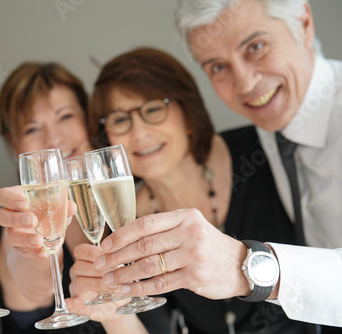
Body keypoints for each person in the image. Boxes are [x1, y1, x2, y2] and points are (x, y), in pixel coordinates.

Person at [89, 0, 342, 329]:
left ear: (305, 22)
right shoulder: (270, 130)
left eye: (256, 46)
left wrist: (249, 267)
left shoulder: (252, 147)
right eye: (217, 67)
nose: (246, 83)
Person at [65, 46, 313, 333]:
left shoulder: (265, 154)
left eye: (153, 109)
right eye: (120, 119)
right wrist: (114, 316)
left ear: (187, 109)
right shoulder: (122, 229)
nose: (139, 133)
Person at [0, 62, 167, 333]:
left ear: (88, 119)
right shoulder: (17, 225)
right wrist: (33, 241)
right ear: (13, 143)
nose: (53, 138)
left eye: (65, 116)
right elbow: (34, 286)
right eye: (31, 129)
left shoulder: (131, 204)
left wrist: (116, 316)